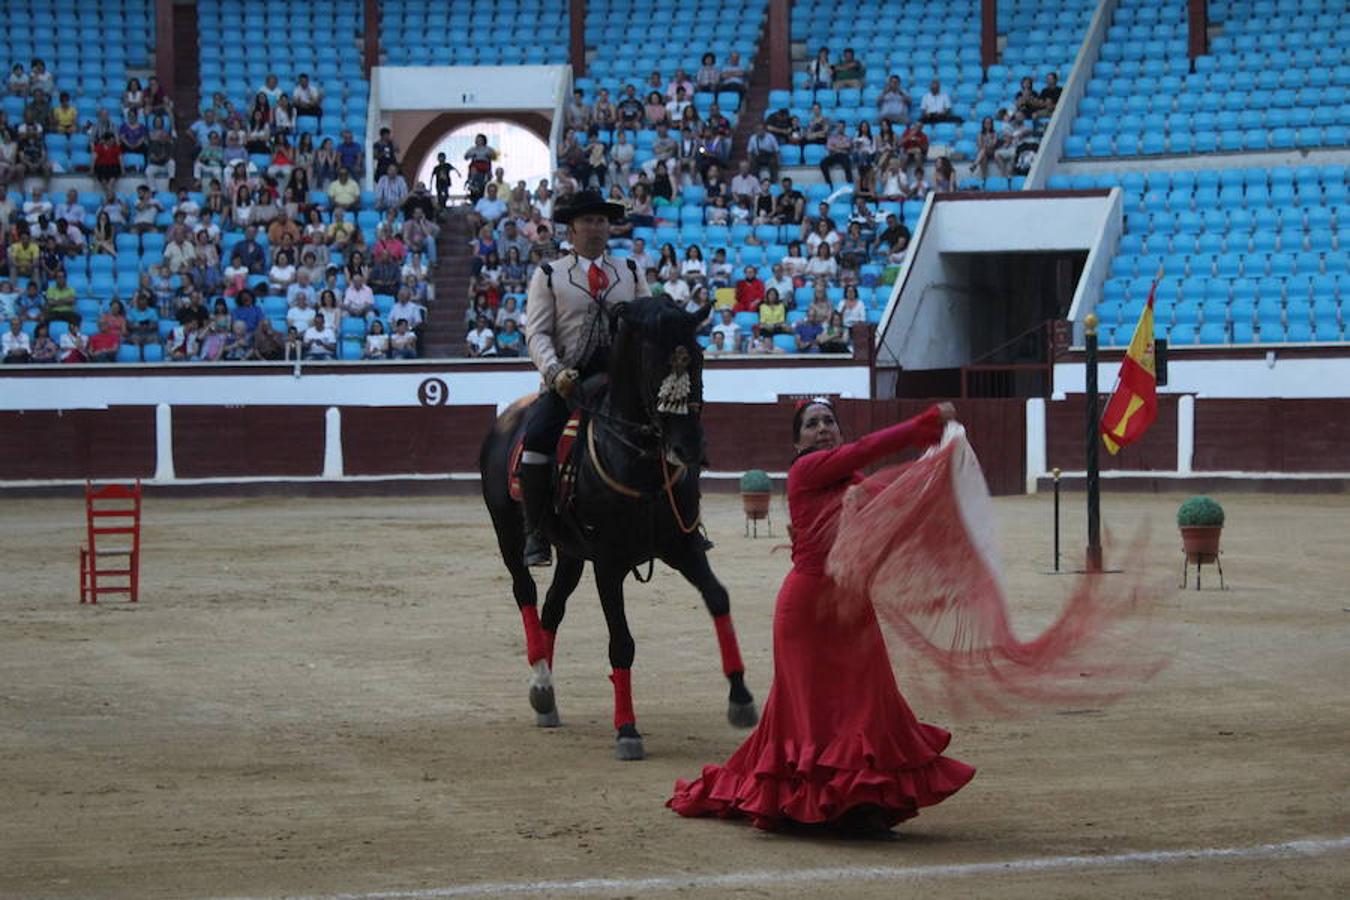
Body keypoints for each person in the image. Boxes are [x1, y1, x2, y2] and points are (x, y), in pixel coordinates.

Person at [669, 399, 973, 831]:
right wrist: (919, 428)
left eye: (829, 421)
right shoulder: (805, 472)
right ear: (797, 443)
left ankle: (859, 799)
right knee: (811, 713)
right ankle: (809, 801)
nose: (822, 428)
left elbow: (900, 506)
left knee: (866, 705)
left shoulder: (857, 483)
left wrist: (940, 476)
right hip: (808, 610)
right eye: (811, 424)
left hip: (851, 607)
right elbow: (866, 448)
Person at [519, 189, 650, 567]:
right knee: (538, 436)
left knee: (668, 427)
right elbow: (538, 334)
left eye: (603, 221)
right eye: (589, 221)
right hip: (569, 382)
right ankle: (537, 530)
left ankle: (681, 522)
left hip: (620, 380)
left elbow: (644, 321)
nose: (597, 228)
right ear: (572, 228)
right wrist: (554, 370)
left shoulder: (629, 271)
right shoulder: (549, 274)